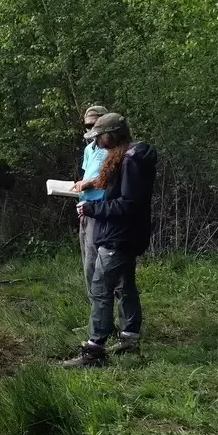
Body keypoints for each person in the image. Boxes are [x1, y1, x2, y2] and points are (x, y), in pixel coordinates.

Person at [63, 113, 157, 368]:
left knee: (100, 289)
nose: (98, 141)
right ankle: (129, 337)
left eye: (100, 135)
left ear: (112, 134)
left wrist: (93, 209)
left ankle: (93, 352)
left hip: (120, 236)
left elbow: (128, 205)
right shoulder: (122, 157)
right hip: (124, 233)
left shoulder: (131, 161)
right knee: (125, 284)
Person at [74, 106, 109, 296]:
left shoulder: (112, 150)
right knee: (87, 260)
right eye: (87, 125)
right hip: (84, 208)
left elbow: (112, 178)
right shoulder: (89, 149)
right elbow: (88, 174)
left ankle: (103, 318)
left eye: (94, 124)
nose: (90, 129)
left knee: (97, 263)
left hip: (101, 209)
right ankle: (94, 313)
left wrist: (91, 183)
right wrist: (80, 185)